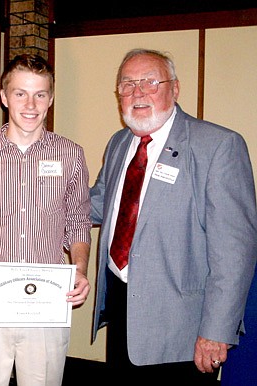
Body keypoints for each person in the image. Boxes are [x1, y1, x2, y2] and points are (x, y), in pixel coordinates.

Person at [90, 48, 257, 384]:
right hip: (123, 309)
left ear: (175, 88)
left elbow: (234, 252)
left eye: (150, 82)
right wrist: (36, 200)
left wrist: (216, 331)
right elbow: (99, 204)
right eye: (127, 84)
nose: (137, 93)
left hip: (184, 326)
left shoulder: (218, 146)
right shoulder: (120, 142)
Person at [0, 54, 92, 386]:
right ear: (4, 97)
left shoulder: (71, 154)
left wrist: (81, 269)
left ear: (51, 99)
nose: (31, 104)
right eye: (20, 93)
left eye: (40, 94)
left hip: (47, 302)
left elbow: (78, 220)